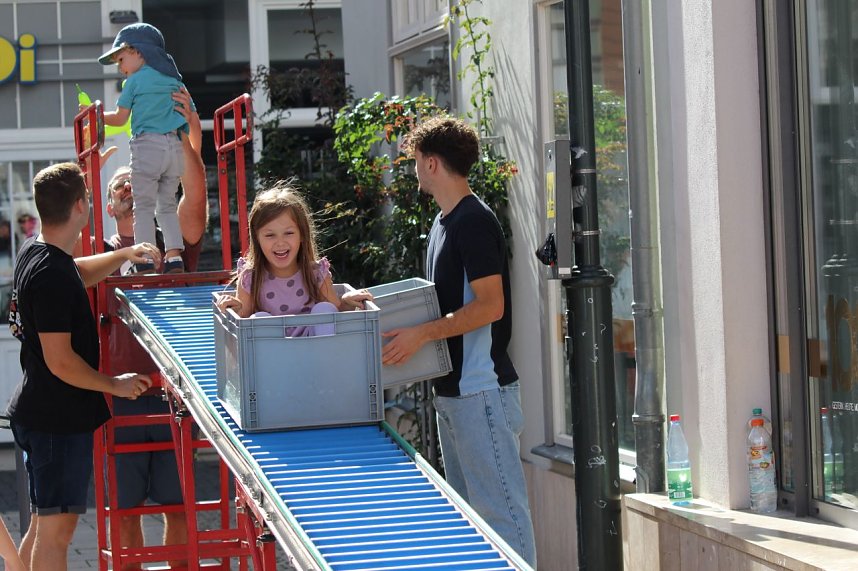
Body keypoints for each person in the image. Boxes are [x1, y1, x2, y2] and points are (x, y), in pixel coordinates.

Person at [380, 117, 537, 567]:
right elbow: (443, 303)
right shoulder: (443, 222)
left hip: (481, 392)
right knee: (475, 529)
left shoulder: (473, 222)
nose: (413, 169)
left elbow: (491, 307)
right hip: (456, 395)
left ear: (431, 163)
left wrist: (421, 335)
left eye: (415, 160)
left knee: (503, 524)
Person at [6, 162, 155, 570]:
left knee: (44, 526)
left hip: (42, 413)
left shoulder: (37, 251)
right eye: (88, 196)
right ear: (79, 206)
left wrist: (123, 254)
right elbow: (61, 362)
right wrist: (114, 384)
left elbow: (77, 273)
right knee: (57, 535)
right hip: (56, 421)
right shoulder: (49, 273)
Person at [103, 86, 206, 570]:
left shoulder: (171, 240)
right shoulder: (98, 253)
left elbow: (195, 198)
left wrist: (187, 139)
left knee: (177, 507)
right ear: (107, 206)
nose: (129, 186)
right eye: (118, 185)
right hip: (119, 396)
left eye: (135, 178)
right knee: (124, 515)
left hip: (171, 392)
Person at [98, 22, 192, 274]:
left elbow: (120, 118)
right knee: (167, 205)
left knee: (143, 207)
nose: (120, 68)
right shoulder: (174, 80)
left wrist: (94, 114)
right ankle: (174, 257)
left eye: (121, 59)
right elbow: (189, 112)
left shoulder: (134, 81)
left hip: (148, 146)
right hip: (174, 148)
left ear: (138, 52)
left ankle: (146, 257)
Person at [215, 183, 372, 333]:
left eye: (289, 233)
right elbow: (242, 318)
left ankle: (325, 351)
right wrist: (233, 309)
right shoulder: (251, 277)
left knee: (325, 309)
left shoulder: (315, 274)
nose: (280, 242)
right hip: (271, 350)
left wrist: (347, 302)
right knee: (259, 319)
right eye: (270, 235)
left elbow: (336, 312)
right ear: (257, 239)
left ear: (302, 235)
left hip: (314, 346)